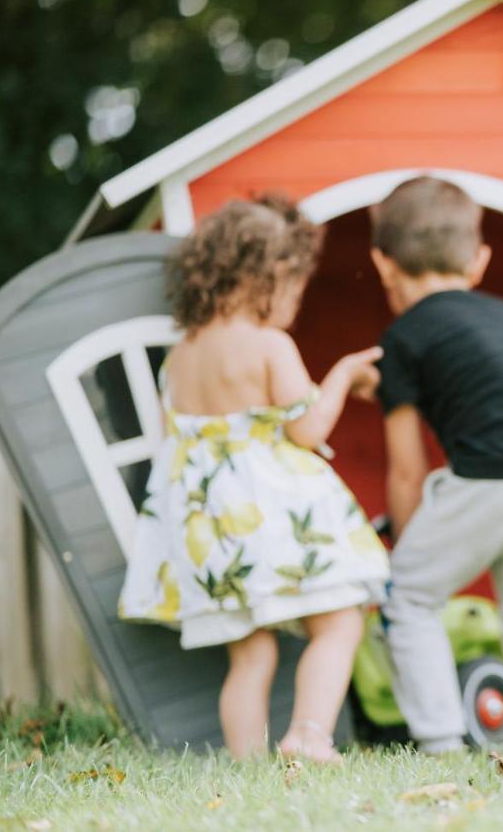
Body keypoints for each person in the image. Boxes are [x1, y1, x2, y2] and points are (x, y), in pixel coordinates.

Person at [119, 195, 389, 763]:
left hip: (210, 535)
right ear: (261, 277)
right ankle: (309, 735)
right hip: (270, 528)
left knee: (251, 654)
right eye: (292, 286)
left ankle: (247, 764)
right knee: (340, 621)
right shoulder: (269, 344)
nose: (294, 302)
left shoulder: (182, 354)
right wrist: (341, 375)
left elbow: (182, 443)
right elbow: (307, 429)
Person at [369, 176, 503, 754]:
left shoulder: (404, 337)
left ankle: (441, 741)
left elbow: (406, 472)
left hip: (496, 479)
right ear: (479, 260)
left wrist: (407, 539)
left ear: (382, 264)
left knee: (410, 598)